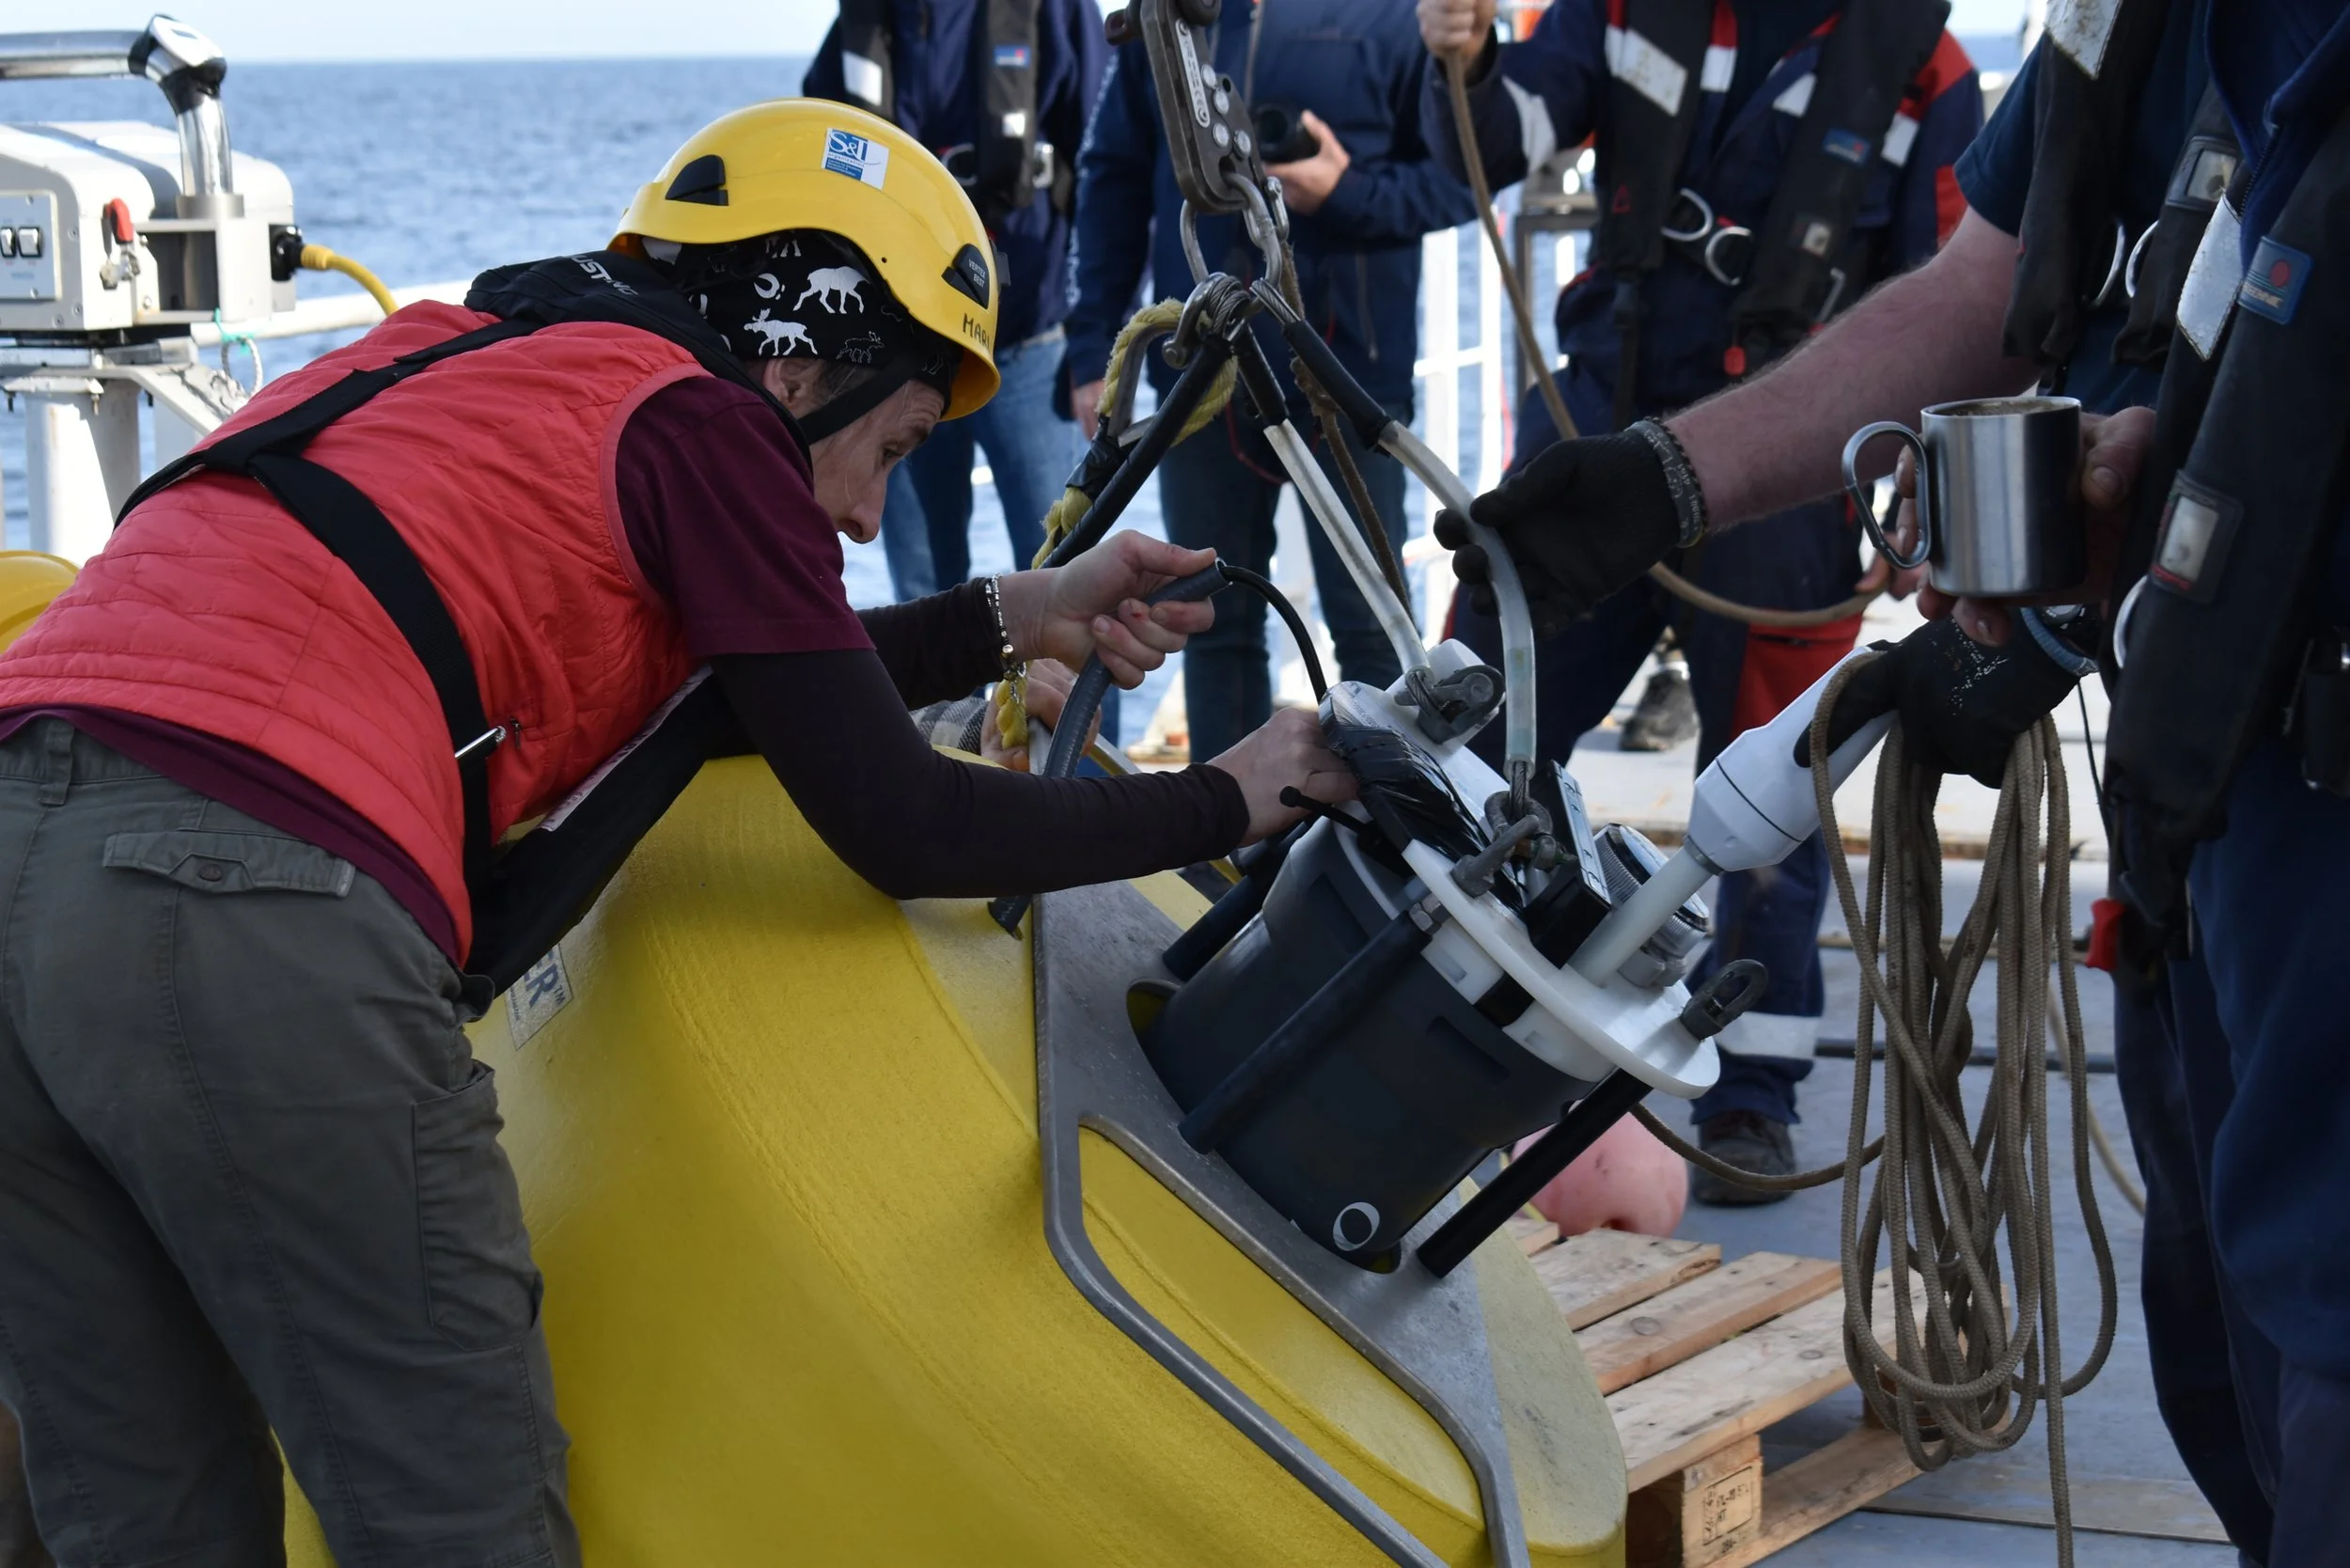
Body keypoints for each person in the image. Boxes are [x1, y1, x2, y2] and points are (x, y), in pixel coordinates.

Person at [0, 102, 1355, 1564]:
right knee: (452, 1506)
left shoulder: (468, 357)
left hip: (23, 855)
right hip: (247, 900)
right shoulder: (703, 424)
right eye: (890, 445)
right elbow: (897, 818)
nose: (859, 518)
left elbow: (739, 691)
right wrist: (1233, 794)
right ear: (796, 362)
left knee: (148, 1515)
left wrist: (1014, 615)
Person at [1437, 0, 2350, 1557]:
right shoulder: (2134, 30)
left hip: (2316, 841)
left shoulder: (1922, 64)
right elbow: (1996, 283)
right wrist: (1674, 473)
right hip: (2199, 825)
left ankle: (1763, 1094)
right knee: (2248, 1380)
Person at [1416, 0, 1982, 1201]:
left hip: (1792, 492)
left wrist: (1921, 489)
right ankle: (1415, 1008)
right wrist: (1466, 57)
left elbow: (1955, 301)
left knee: (1779, 793)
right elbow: (1499, 132)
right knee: (1471, 726)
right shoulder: (1622, 8)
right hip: (1602, 444)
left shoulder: (1926, 75)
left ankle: (1750, 1099)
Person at [1065, 0, 1476, 763]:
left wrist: (1343, 193)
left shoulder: (1394, 19)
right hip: (1201, 380)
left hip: (1348, 379)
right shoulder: (1165, 21)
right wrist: (1093, 347)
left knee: (1374, 625)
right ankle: (1229, 845)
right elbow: (1114, 178)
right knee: (1212, 622)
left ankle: (1395, 846)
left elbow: (1456, 184)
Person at [804, 0, 1105, 602]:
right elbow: (815, 180)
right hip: (896, 354)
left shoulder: (1057, 12)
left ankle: (1065, 702)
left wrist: (1096, 343)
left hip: (1031, 346)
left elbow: (1109, 176)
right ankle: (947, 704)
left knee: (1068, 584)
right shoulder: (865, 21)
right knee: (921, 595)